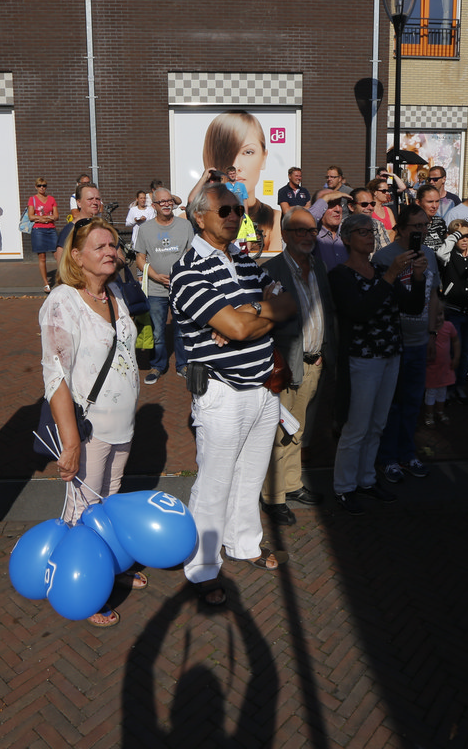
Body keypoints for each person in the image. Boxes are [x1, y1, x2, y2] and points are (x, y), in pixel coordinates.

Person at [170, 184, 298, 606]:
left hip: (263, 387)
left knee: (250, 476)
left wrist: (247, 313)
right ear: (199, 216)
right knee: (215, 483)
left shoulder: (243, 259)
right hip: (221, 392)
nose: (233, 216)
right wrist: (251, 317)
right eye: (223, 210)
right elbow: (241, 328)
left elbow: (288, 303)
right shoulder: (188, 271)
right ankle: (202, 565)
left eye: (237, 210)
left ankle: (244, 543)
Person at [39, 216, 144, 626]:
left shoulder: (115, 292)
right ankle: (80, 586)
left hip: (123, 424)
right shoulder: (62, 302)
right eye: (99, 247)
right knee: (82, 510)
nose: (110, 252)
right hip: (90, 430)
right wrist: (70, 444)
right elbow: (55, 377)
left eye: (113, 245)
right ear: (77, 257)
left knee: (110, 502)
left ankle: (109, 567)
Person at [329, 213, 421, 514]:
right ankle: (344, 487)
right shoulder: (340, 275)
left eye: (372, 231)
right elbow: (360, 311)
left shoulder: (381, 270)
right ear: (346, 238)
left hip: (390, 354)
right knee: (356, 426)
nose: (370, 237)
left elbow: (412, 306)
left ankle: (366, 479)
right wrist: (391, 276)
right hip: (363, 359)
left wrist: (418, 277)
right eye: (362, 232)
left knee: (377, 424)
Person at [260, 206, 336, 525]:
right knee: (279, 431)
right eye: (300, 231)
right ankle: (273, 496)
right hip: (286, 365)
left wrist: (323, 352)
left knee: (299, 430)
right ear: (286, 234)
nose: (308, 236)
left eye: (311, 231)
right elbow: (263, 321)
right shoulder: (270, 270)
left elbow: (326, 310)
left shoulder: (318, 266)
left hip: (313, 363)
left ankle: (291, 484)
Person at [375, 205, 438, 484]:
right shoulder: (384, 257)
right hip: (394, 342)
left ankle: (407, 453)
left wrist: (433, 333)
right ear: (400, 228)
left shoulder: (430, 255)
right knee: (392, 404)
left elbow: (433, 296)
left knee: (413, 402)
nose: (421, 231)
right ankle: (387, 457)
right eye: (415, 226)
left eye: (425, 225)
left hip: (420, 340)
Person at [134, 187, 194, 384]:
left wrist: (182, 275)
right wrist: (155, 276)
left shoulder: (185, 225)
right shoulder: (145, 229)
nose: (167, 204)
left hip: (181, 288)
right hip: (155, 288)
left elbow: (192, 254)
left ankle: (183, 365)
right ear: (154, 206)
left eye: (169, 201)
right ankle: (157, 366)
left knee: (182, 329)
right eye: (162, 202)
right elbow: (140, 258)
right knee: (157, 331)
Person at [203, 111, 282, 253]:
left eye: (248, 152)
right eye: (227, 154)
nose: (237, 166)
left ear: (264, 157)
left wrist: (245, 216)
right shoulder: (195, 218)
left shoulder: (275, 218)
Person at [439, 218, 468, 403]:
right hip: (454, 310)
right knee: (451, 351)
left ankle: (459, 385)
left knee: (466, 350)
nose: (465, 240)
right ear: (452, 236)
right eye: (460, 236)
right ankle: (448, 386)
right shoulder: (448, 255)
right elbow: (441, 253)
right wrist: (454, 235)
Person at [422, 309, 458, 425]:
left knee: (442, 391)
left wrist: (456, 357)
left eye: (440, 314)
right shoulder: (426, 329)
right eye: (435, 315)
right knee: (431, 392)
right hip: (431, 368)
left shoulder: (449, 326)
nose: (438, 318)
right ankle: (429, 415)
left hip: (445, 368)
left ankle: (440, 412)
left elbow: (456, 341)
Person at [27, 178, 59, 292]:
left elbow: (56, 216)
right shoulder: (32, 199)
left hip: (51, 229)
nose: (42, 188)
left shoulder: (51, 199)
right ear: (36, 187)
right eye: (39, 185)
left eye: (44, 185)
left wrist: (40, 218)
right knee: (42, 257)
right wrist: (47, 218)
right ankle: (46, 283)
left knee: (58, 255)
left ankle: (63, 278)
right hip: (38, 230)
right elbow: (31, 216)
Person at [58, 183, 102, 250]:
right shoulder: (70, 230)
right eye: (90, 199)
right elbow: (61, 255)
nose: (95, 202)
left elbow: (117, 253)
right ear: (79, 202)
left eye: (97, 199)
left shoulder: (104, 228)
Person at [350, 187, 392, 255]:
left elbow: (386, 253)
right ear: (351, 207)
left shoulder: (377, 224)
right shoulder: (342, 226)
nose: (370, 207)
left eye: (372, 204)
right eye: (364, 204)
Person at [315, 192, 349, 270]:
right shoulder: (311, 236)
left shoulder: (348, 232)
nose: (338, 209)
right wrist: (325, 198)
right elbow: (302, 222)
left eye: (339, 204)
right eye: (330, 204)